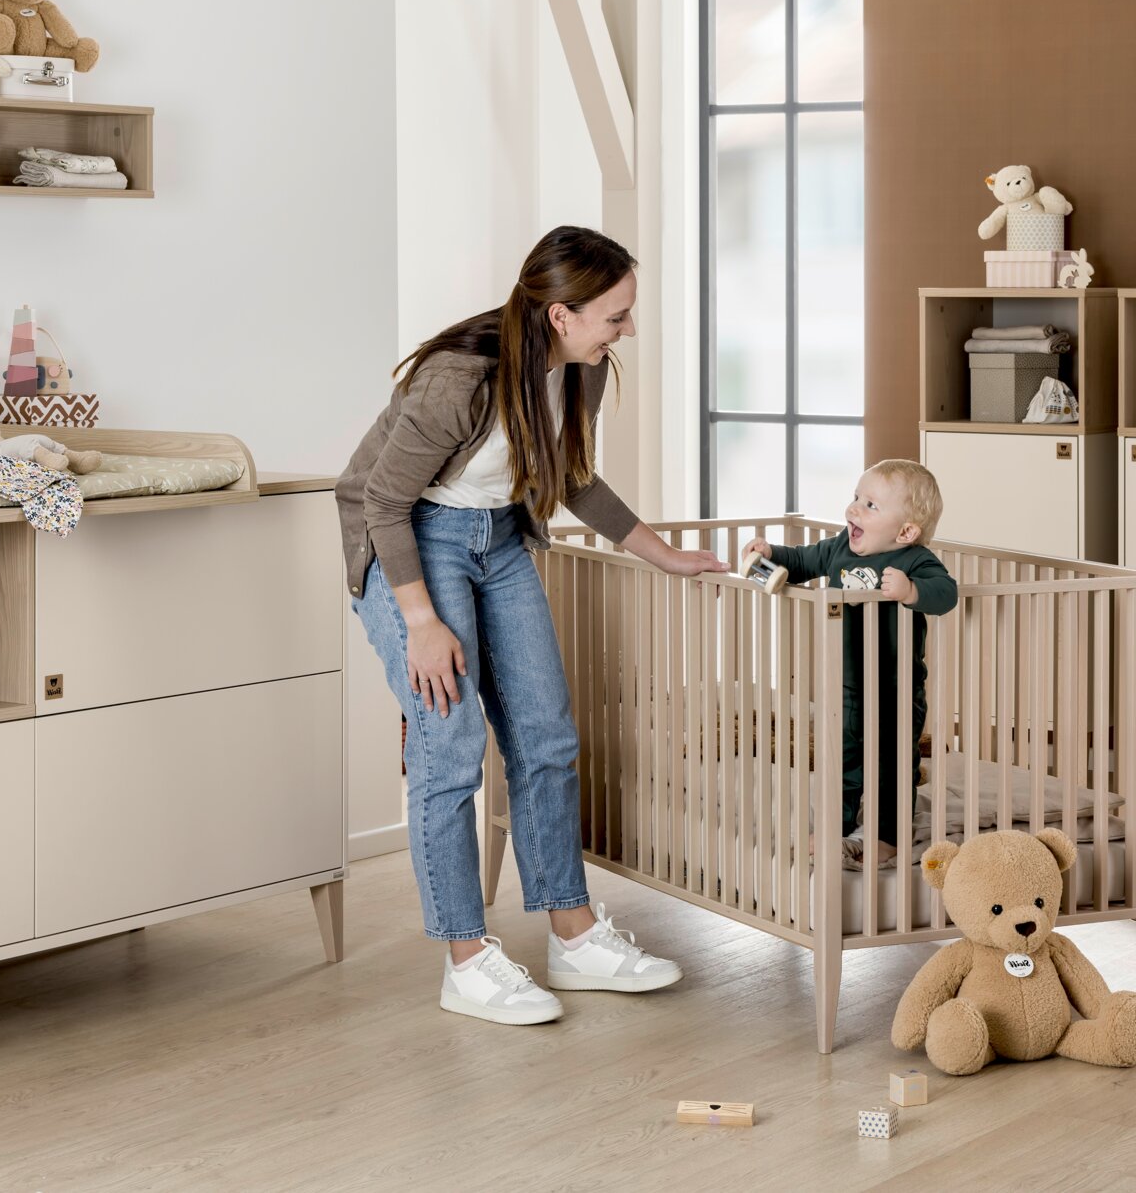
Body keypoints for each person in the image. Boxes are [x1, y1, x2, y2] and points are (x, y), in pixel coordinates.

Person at [335, 225, 727, 1025]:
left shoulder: (580, 372)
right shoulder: (459, 379)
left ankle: (574, 937)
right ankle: (466, 959)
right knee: (449, 748)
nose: (625, 329)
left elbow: (572, 475)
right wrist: (420, 620)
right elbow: (382, 501)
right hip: (412, 540)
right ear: (562, 314)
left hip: (500, 539)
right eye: (615, 315)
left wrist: (664, 554)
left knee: (546, 736)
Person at [740, 460, 958, 869]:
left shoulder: (914, 560)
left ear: (905, 531)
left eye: (870, 505)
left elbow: (946, 593)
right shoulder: (841, 547)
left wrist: (912, 590)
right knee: (844, 756)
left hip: (896, 687)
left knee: (893, 761)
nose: (853, 509)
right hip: (848, 685)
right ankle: (836, 828)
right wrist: (772, 553)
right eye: (856, 497)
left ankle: (888, 837)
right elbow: (803, 561)